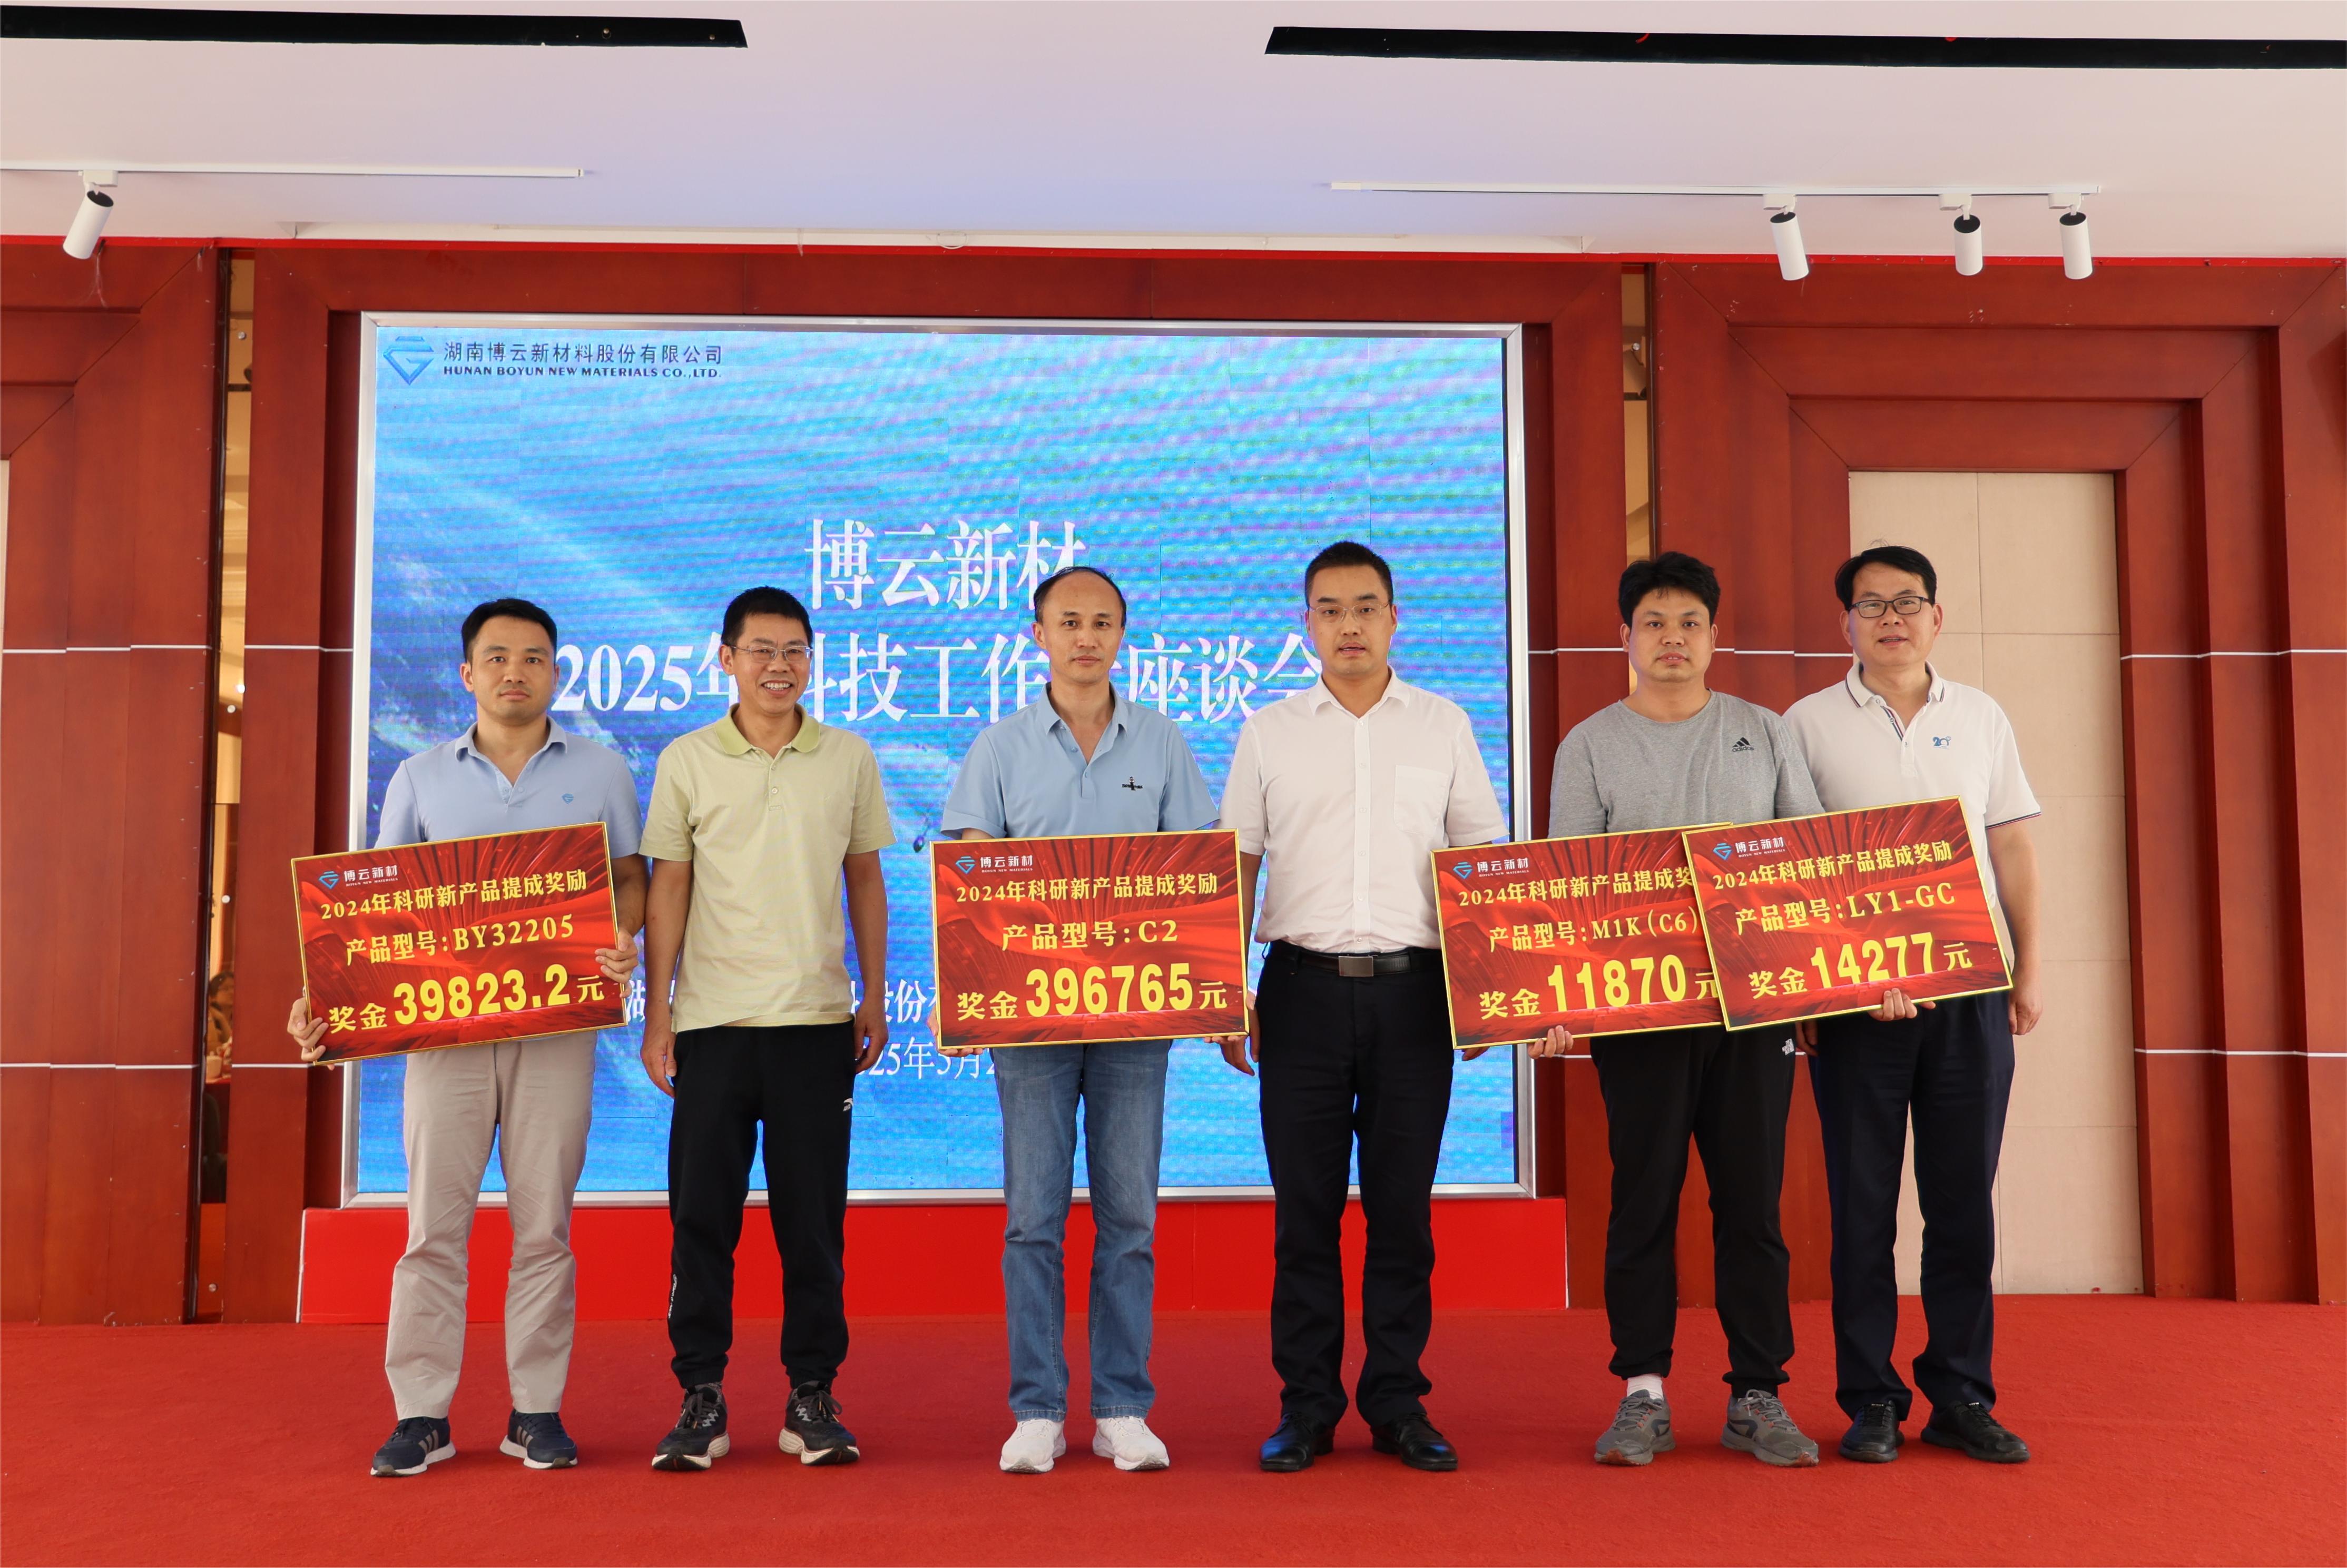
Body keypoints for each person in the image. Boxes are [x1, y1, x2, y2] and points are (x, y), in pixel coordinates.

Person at [288, 597, 646, 1477]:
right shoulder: (420, 777)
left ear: (556, 671)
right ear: (467, 673)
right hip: (444, 1036)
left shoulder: (602, 770)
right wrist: (325, 999)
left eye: (533, 657)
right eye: (497, 657)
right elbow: (374, 912)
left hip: (556, 1029)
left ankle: (535, 1410)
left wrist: (623, 935)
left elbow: (630, 875)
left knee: (544, 1227)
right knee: (431, 1229)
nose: (515, 671)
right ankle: (422, 1414)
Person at [1214, 539, 1505, 1474]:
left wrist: (1486, 995)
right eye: (1330, 609)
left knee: (1401, 1213)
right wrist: (1227, 990)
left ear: (1394, 617)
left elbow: (1479, 860)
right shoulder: (1270, 731)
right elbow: (1237, 862)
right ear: (1306, 624)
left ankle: (1396, 1400)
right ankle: (1305, 1405)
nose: (1349, 625)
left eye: (1365, 607)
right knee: (1304, 1215)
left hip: (1417, 996)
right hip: (1298, 992)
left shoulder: (1443, 724)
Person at [1537, 551, 1824, 1469]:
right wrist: (1558, 999)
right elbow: (1566, 889)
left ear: (1713, 635)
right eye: (1655, 622)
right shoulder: (1589, 744)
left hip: (1752, 1014)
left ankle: (1758, 1392)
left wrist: (1814, 990)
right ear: (1625, 636)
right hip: (1641, 1018)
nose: (1673, 638)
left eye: (1690, 622)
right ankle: (1643, 1391)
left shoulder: (1764, 731)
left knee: (1752, 1206)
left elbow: (1807, 864)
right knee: (1644, 1200)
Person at [935, 564, 1218, 1475]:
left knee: (1130, 1215)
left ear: (1122, 635)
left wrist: (1216, 988)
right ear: (1039, 635)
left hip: (1136, 1018)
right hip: (1034, 1022)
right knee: (1033, 1217)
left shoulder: (1163, 741)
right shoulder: (1000, 747)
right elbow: (973, 869)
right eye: (1069, 622)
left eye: (1102, 622)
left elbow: (1198, 869)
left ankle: (1124, 1407)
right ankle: (1038, 1409)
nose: (1085, 637)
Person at [1783, 544, 2042, 1466]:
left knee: (1963, 1203)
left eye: (1907, 602)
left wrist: (2028, 967)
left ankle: (1961, 1393)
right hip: (1856, 1004)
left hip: (1970, 992)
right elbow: (1792, 871)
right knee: (1861, 1205)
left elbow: (2012, 848)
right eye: (1871, 604)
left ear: (1937, 617)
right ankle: (1870, 1399)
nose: (1890, 618)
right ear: (1844, 623)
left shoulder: (1980, 716)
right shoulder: (1806, 724)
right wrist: (1817, 989)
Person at [637, 585, 893, 1472]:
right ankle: (700, 1395)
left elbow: (865, 877)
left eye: (794, 651)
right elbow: (669, 886)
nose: (778, 666)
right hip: (712, 1026)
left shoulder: (847, 755)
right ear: (726, 658)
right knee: (701, 1218)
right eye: (761, 650)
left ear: (811, 660)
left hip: (817, 1024)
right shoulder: (687, 759)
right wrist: (660, 1014)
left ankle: (811, 1393)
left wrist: (873, 994)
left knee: (812, 1224)